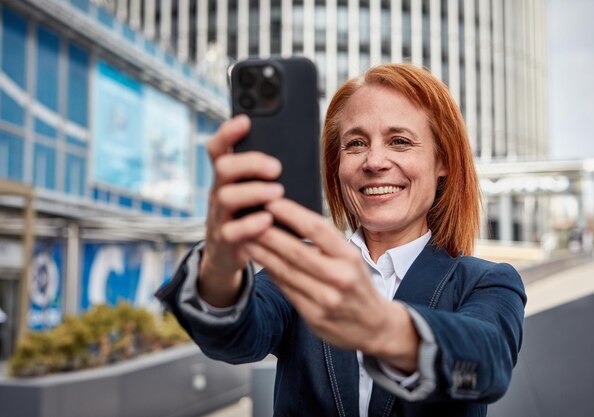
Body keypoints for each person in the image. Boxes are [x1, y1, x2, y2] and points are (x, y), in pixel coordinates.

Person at [157, 63, 526, 417]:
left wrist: (383, 326)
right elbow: (234, 335)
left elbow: (487, 363)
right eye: (355, 144)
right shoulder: (301, 269)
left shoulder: (486, 282)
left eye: (399, 141)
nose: (374, 161)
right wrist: (221, 265)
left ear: (442, 162)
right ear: (336, 166)